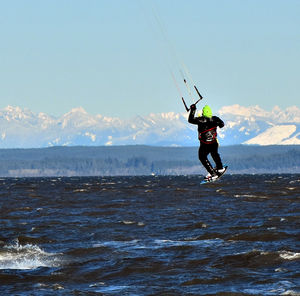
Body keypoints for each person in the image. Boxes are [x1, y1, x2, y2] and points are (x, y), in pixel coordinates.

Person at [188, 104, 225, 181]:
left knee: (202, 157)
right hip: (214, 142)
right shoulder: (215, 119)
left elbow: (190, 120)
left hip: (205, 144)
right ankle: (220, 168)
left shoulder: (201, 120)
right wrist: (217, 124)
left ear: (203, 113)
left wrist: (193, 110)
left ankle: (212, 173)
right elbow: (222, 125)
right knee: (214, 154)